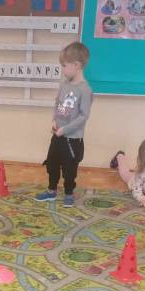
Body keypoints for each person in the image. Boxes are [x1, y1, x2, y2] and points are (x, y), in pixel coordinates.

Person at [34, 42, 93, 208]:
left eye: (64, 66)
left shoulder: (85, 90)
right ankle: (51, 191)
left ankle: (68, 193)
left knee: (69, 169)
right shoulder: (64, 84)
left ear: (76, 66)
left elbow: (83, 116)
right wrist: (54, 120)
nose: (63, 69)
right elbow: (57, 103)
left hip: (72, 140)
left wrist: (65, 129)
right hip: (57, 136)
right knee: (52, 164)